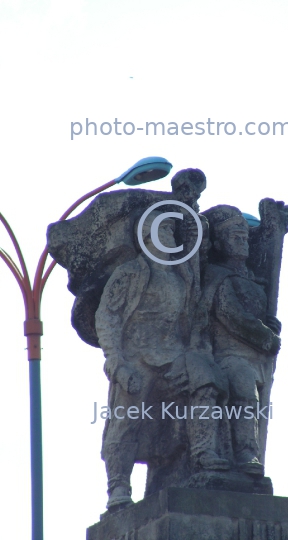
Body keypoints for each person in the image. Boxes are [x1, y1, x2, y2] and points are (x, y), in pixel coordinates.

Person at [95, 209, 228, 510]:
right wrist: (116, 362)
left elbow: (195, 322)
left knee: (205, 380)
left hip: (176, 356)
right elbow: (107, 317)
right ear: (146, 239)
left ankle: (203, 454)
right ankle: (118, 487)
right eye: (160, 232)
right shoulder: (129, 274)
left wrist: (198, 355)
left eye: (169, 232)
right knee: (125, 422)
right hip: (137, 359)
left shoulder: (183, 275)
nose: (166, 236)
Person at [202, 205, 281, 476]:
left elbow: (256, 315)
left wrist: (271, 327)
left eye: (245, 236)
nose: (243, 241)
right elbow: (231, 315)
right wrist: (267, 337)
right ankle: (246, 453)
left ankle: (250, 453)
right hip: (226, 354)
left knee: (256, 403)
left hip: (256, 356)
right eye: (235, 236)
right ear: (219, 242)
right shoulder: (216, 276)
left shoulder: (254, 280)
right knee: (244, 390)